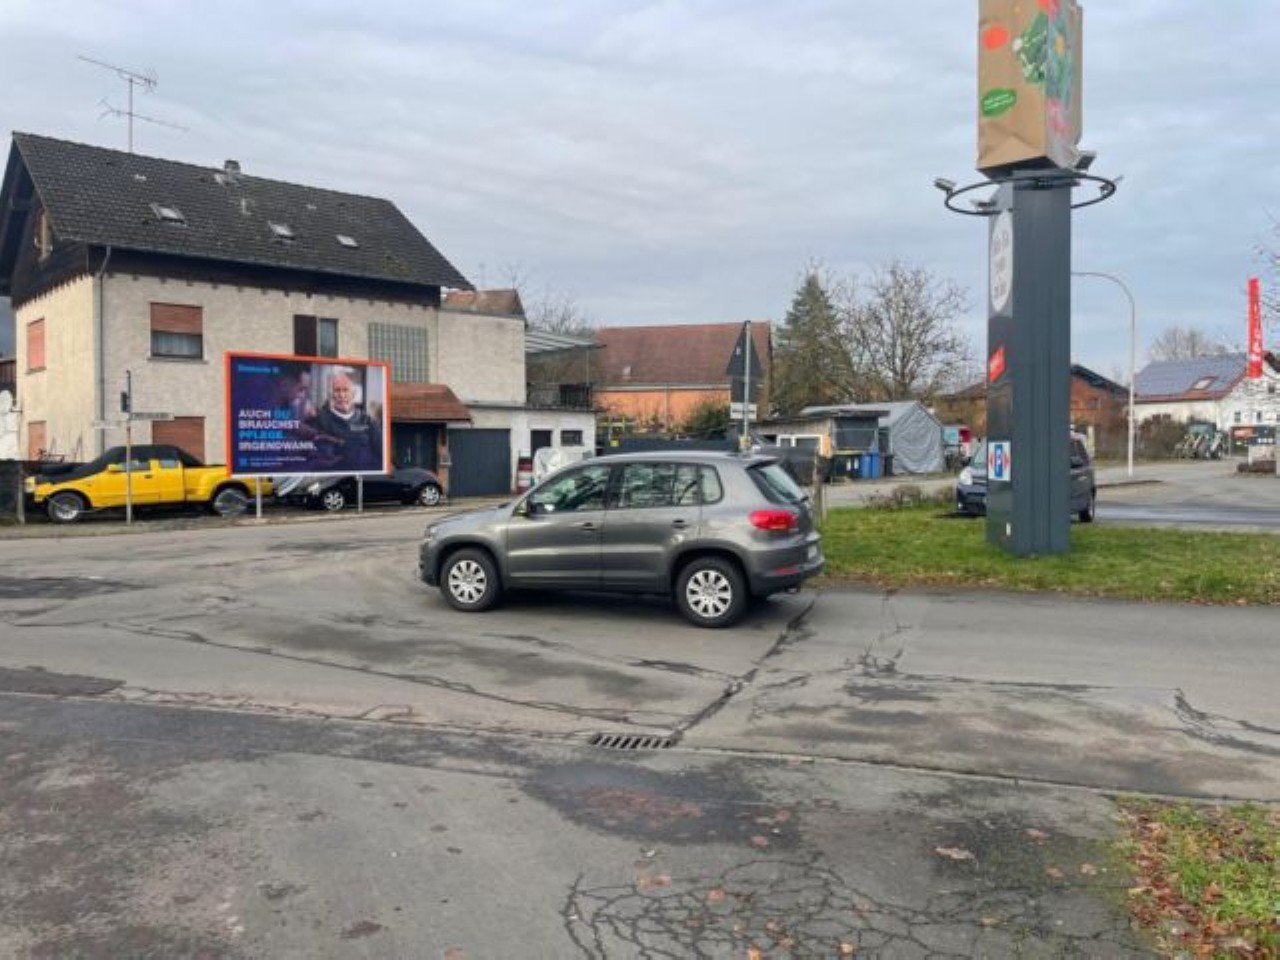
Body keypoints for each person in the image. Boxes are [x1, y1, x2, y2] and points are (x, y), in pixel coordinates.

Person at [305, 368, 382, 471]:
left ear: (353, 394)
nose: (342, 395)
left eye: (346, 390)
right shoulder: (318, 421)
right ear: (331, 394)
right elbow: (309, 458)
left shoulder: (368, 422)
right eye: (337, 390)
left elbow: (382, 456)